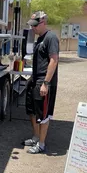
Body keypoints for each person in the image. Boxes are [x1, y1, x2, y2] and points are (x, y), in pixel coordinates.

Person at [23, 11, 59, 154]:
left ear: (43, 22)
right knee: (32, 110)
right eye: (31, 26)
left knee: (43, 115)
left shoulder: (51, 38)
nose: (33, 28)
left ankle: (42, 144)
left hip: (44, 81)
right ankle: (36, 137)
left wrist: (46, 83)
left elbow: (54, 60)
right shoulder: (40, 38)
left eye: (35, 26)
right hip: (35, 79)